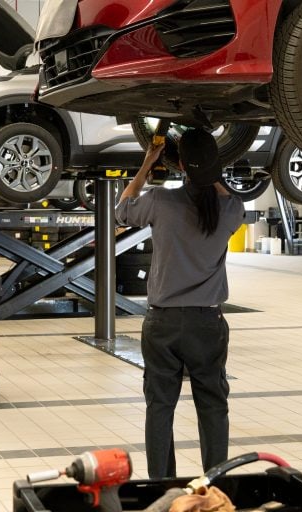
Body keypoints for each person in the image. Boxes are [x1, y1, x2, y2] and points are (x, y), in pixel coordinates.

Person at [115, 128, 244, 479]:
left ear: (181, 165)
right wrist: (210, 173)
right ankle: (215, 483)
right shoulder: (230, 210)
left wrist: (146, 165)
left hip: (163, 324)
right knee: (213, 407)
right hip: (208, 325)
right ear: (214, 167)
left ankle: (161, 485)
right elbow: (226, 195)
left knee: (159, 408)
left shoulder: (160, 201)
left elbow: (122, 210)